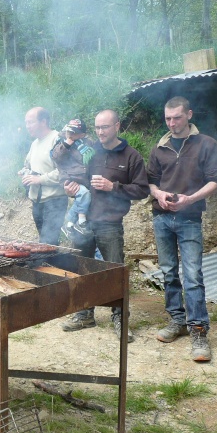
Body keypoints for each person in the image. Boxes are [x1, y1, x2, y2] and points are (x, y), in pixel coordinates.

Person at [147, 96, 217, 362]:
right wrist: (158, 195)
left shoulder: (206, 144)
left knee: (192, 275)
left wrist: (190, 199)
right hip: (161, 217)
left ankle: (199, 331)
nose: (172, 123)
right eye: (168, 118)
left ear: (189, 115)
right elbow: (151, 181)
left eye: (177, 117)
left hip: (190, 218)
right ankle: (177, 321)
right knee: (169, 272)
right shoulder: (160, 147)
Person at [62, 110, 149, 342]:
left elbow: (142, 190)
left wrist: (114, 187)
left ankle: (120, 318)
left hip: (110, 224)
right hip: (86, 222)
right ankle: (84, 313)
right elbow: (82, 181)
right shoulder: (92, 152)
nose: (100, 132)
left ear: (117, 126)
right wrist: (72, 188)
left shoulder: (132, 156)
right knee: (82, 269)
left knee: (114, 273)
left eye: (105, 127)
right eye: (98, 127)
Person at [20, 107, 67, 245]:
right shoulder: (35, 143)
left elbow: (65, 172)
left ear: (43, 121)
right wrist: (25, 172)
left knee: (48, 243)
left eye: (31, 122)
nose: (27, 126)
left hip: (54, 201)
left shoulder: (57, 139)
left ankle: (50, 266)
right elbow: (28, 165)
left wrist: (39, 179)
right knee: (45, 245)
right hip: (37, 202)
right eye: (26, 123)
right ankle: (54, 265)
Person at [50, 118, 96, 241]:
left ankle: (69, 224)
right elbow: (56, 157)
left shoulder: (87, 143)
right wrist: (66, 143)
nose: (71, 134)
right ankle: (81, 222)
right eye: (70, 131)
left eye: (75, 132)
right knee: (84, 194)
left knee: (83, 198)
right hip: (69, 178)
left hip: (83, 179)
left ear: (82, 133)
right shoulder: (62, 142)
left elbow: (92, 161)